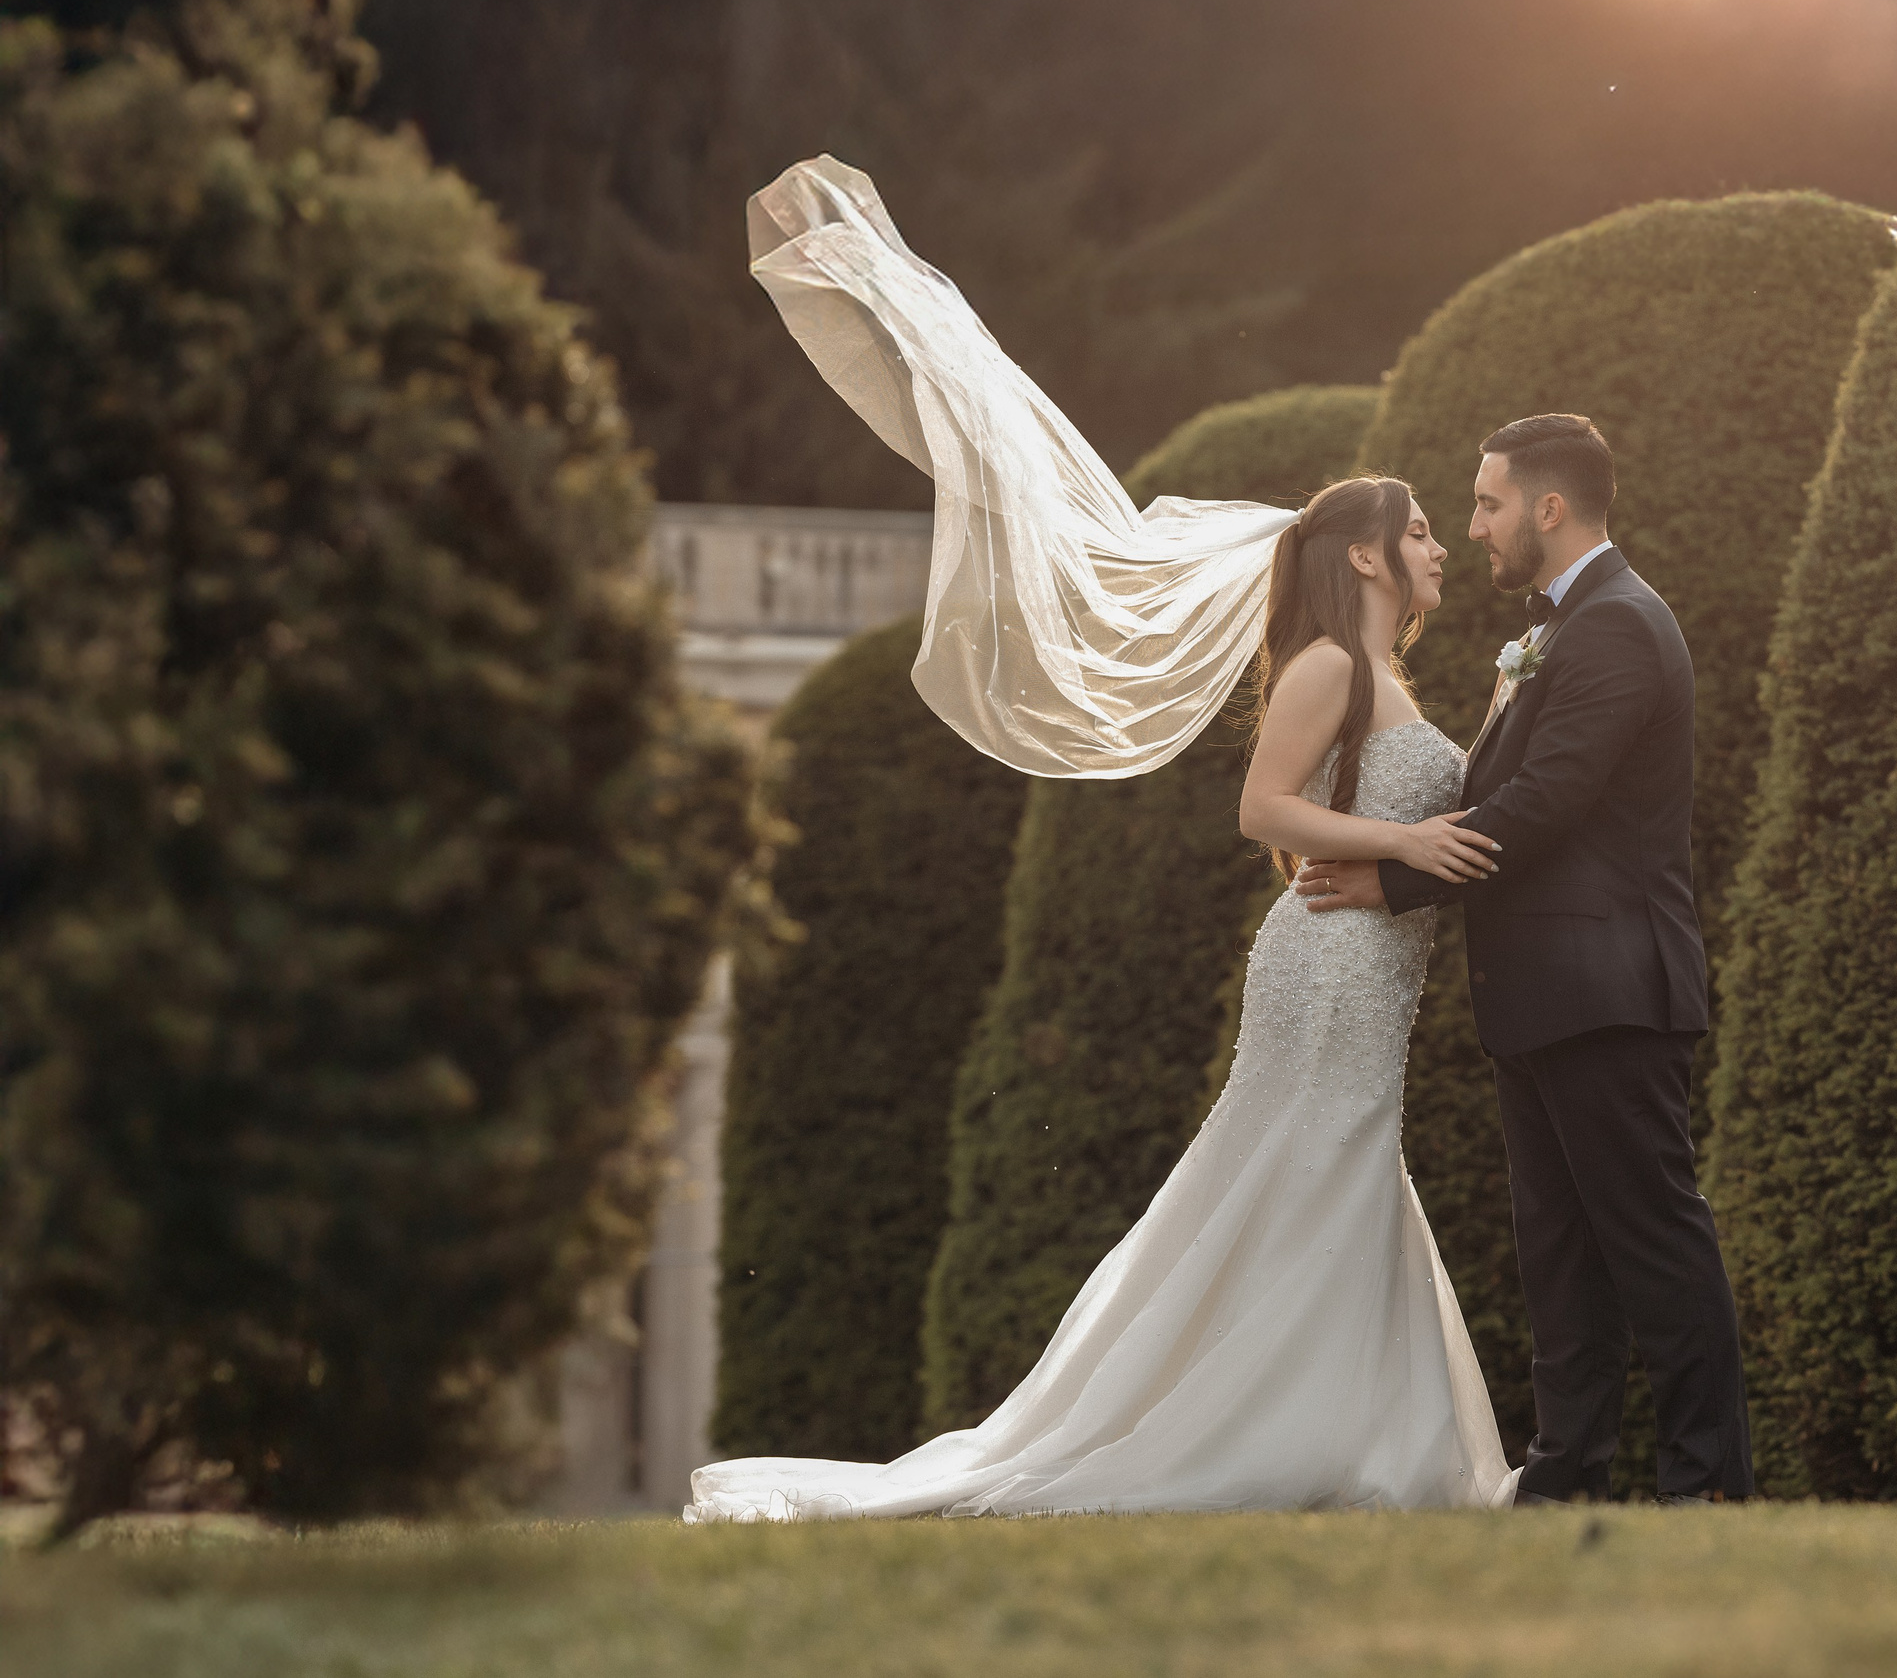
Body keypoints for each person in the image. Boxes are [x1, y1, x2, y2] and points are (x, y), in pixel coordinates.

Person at [688, 476, 1521, 1519]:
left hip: (1374, 961)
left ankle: (1360, 1428)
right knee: (1323, 1162)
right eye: (1419, 531)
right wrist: (1402, 840)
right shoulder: (1327, 667)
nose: (1439, 547)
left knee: (1332, 1167)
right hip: (1328, 961)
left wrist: (1496, 727)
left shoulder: (1382, 674)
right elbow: (1261, 808)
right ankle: (1296, 1434)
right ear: (1362, 556)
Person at [1298, 414, 1754, 1505]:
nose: (1473, 528)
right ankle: (1566, 1473)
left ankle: (1707, 1485)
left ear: (1550, 510)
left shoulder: (1617, 627)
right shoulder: (1560, 628)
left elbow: (1544, 804)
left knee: (1652, 1245)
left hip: (1610, 992)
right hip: (1543, 995)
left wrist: (1392, 878)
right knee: (1560, 1256)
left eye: (1489, 504)